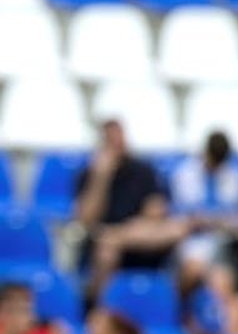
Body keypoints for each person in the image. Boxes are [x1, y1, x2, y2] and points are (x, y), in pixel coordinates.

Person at [74, 119, 189, 297]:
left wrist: (120, 234)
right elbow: (86, 220)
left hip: (139, 237)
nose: (118, 144)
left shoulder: (143, 171)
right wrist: (101, 178)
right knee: (107, 251)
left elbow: (156, 212)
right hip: (103, 242)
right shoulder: (88, 174)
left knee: (177, 229)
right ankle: (103, 309)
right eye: (111, 140)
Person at [172, 131, 238, 218]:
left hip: (225, 226)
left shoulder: (236, 176)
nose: (214, 168)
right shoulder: (184, 173)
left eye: (218, 165)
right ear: (205, 153)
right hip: (191, 225)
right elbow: (183, 209)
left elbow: (234, 210)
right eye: (212, 162)